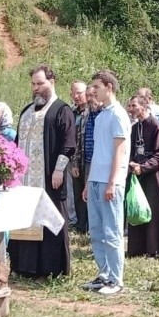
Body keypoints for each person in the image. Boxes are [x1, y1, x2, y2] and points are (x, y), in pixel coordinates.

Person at [9, 64, 76, 279]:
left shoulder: (61, 110)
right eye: (33, 84)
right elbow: (18, 144)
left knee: (51, 219)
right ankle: (24, 266)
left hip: (49, 178)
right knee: (26, 219)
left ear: (52, 82)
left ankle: (52, 267)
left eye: (40, 84)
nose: (36, 88)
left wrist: (59, 170)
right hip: (25, 180)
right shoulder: (27, 111)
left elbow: (68, 143)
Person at [84, 69, 132, 295]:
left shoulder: (118, 114)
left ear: (109, 87)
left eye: (96, 87)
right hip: (95, 179)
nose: (92, 91)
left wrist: (112, 182)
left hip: (110, 182)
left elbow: (120, 152)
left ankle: (116, 279)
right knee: (96, 230)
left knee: (112, 231)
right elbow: (98, 152)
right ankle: (104, 274)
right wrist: (88, 181)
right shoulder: (101, 115)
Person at [126, 94, 159, 258]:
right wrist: (132, 164)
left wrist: (144, 167)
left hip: (153, 176)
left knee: (154, 210)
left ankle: (155, 248)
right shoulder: (135, 128)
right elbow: (131, 151)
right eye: (130, 106)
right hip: (138, 174)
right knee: (137, 208)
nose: (131, 109)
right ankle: (138, 248)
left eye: (134, 106)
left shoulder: (155, 126)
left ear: (144, 106)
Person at [71, 85, 103, 234]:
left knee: (92, 193)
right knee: (81, 193)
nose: (90, 99)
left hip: (98, 160)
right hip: (82, 158)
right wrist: (75, 162)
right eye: (88, 96)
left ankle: (93, 226)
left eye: (92, 95)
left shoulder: (102, 113)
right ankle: (82, 225)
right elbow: (77, 140)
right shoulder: (79, 114)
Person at [64, 81, 88, 229]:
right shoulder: (72, 113)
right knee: (76, 192)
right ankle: (78, 222)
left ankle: (87, 224)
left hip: (89, 157)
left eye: (79, 92)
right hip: (74, 159)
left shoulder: (92, 112)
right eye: (73, 93)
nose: (76, 96)